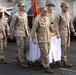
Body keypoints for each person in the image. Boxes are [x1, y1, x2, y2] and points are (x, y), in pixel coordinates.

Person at [31, 6, 54, 74]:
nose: (45, 12)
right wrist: (34, 39)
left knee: (47, 52)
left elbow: (49, 26)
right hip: (41, 39)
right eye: (44, 11)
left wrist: (54, 32)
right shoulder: (37, 19)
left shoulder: (47, 18)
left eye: (46, 11)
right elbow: (33, 30)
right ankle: (47, 67)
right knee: (45, 53)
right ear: (40, 11)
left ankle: (38, 61)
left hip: (48, 38)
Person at [54, 3, 76, 67]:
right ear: (62, 7)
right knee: (63, 47)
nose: (66, 8)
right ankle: (64, 61)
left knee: (67, 46)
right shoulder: (58, 15)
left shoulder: (68, 14)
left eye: (67, 7)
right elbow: (55, 25)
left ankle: (59, 58)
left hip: (68, 33)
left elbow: (70, 24)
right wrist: (57, 33)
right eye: (65, 7)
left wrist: (73, 31)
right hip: (62, 33)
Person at [10, 1, 30, 68]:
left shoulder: (25, 14)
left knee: (26, 47)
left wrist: (29, 32)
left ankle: (20, 57)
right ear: (19, 7)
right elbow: (12, 25)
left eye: (24, 6)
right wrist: (11, 34)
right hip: (19, 33)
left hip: (26, 33)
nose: (23, 7)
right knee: (21, 48)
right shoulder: (15, 15)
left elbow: (26, 24)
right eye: (22, 6)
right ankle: (22, 62)